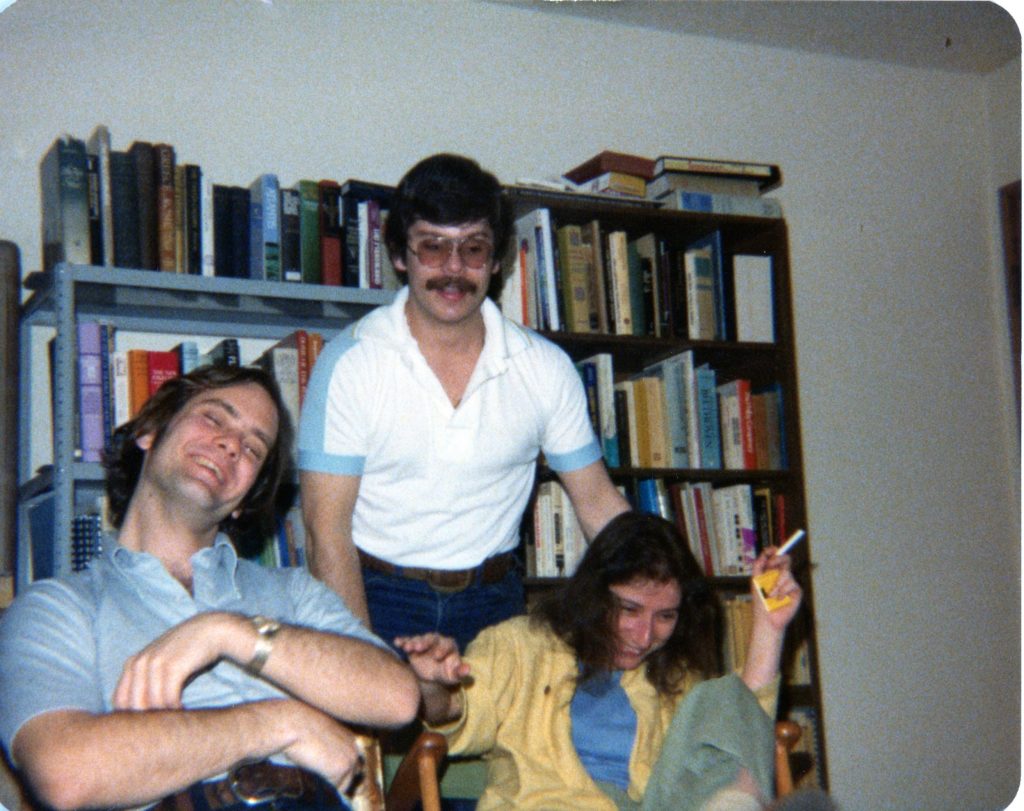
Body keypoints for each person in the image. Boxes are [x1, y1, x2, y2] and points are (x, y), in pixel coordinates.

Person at [0, 364, 420, 811]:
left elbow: (397, 698)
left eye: (254, 448)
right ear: (150, 432)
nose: (231, 445)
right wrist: (280, 724)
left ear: (246, 500)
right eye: (214, 418)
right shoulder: (58, 608)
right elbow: (65, 773)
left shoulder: (294, 592)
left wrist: (229, 632)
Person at [298, 153, 630, 651]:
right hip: (375, 596)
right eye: (432, 247)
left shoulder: (544, 367)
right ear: (399, 255)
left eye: (473, 249)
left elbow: (598, 503)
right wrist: (365, 661)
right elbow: (326, 534)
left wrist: (667, 575)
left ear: (496, 260)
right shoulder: (348, 366)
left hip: (495, 602)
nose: (453, 270)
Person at [396, 511, 805, 811]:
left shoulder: (676, 676)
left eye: (665, 617)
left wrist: (768, 628)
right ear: (595, 592)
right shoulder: (520, 646)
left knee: (714, 699)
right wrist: (433, 685)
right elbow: (458, 714)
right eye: (629, 609)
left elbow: (738, 731)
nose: (644, 636)